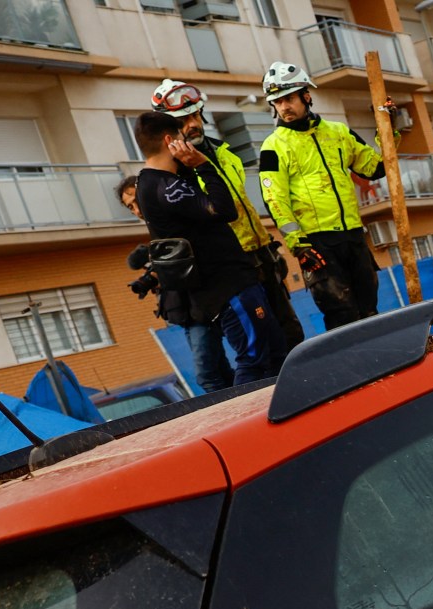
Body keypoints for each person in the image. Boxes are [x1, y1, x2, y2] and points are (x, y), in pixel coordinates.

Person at [150, 79, 306, 361]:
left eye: (196, 115)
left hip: (262, 255)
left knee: (290, 334)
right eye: (183, 120)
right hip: (234, 266)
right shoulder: (176, 173)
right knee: (260, 348)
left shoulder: (224, 152)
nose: (192, 124)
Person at [131, 110, 282, 386]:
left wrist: (187, 167)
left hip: (228, 284)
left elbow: (194, 205)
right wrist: (203, 165)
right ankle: (250, 424)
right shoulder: (165, 186)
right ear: (169, 141)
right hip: (227, 286)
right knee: (254, 362)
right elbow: (224, 210)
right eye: (180, 138)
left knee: (273, 356)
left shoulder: (155, 181)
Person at [256, 61, 386, 330]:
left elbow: (376, 168)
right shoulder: (273, 146)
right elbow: (274, 200)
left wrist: (388, 129)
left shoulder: (338, 132)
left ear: (306, 94)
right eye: (277, 101)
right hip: (317, 243)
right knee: (342, 317)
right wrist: (299, 245)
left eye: (288, 98)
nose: (283, 107)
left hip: (352, 235)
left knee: (370, 311)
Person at [117, 175, 217, 387]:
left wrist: (160, 272)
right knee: (214, 372)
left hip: (204, 305)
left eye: (136, 201)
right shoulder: (156, 230)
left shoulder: (172, 220)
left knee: (207, 375)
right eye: (129, 207)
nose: (136, 210)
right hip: (187, 312)